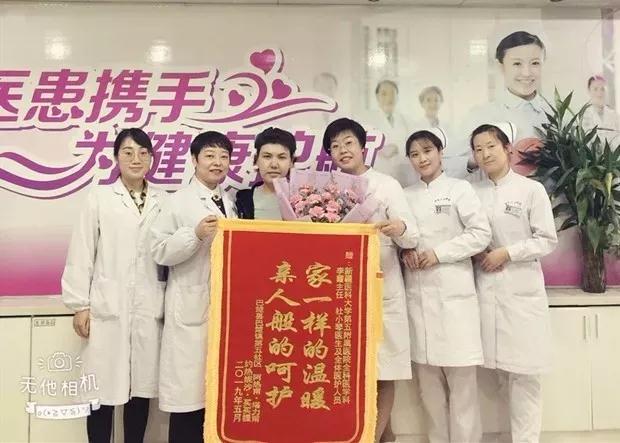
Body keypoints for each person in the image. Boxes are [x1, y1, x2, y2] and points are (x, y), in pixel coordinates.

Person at [62, 128, 167, 443]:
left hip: (149, 307)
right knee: (101, 390)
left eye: (143, 153)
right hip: (108, 306)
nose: (136, 159)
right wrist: (80, 304)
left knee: (140, 390)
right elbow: (82, 251)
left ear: (151, 158)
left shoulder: (164, 201)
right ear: (116, 158)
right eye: (128, 152)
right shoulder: (100, 198)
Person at [322, 117, 419, 443]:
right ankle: (382, 436)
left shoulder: (387, 185)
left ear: (363, 146)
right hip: (342, 288)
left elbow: (412, 235)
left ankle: (371, 438)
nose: (342, 150)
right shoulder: (326, 188)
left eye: (348, 143)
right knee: (351, 370)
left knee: (383, 368)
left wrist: (399, 228)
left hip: (381, 284)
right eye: (335, 146)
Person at [401, 128, 490, 443]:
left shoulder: (459, 189)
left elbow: (480, 234)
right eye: (414, 154)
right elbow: (402, 236)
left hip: (454, 300)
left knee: (463, 390)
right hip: (418, 298)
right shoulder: (405, 195)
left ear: (440, 152)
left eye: (427, 151)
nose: (422, 159)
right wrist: (405, 252)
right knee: (429, 392)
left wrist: (438, 254)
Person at [470, 123, 558, 443]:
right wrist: (477, 251)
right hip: (486, 289)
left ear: (507, 149)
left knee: (525, 376)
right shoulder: (472, 192)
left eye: (491, 146)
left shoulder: (530, 190)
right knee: (495, 377)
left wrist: (507, 252)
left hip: (521, 292)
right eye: (478, 149)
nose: (485, 154)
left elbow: (546, 240)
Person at [150, 131, 236, 443]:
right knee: (189, 403)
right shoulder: (177, 202)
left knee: (216, 400)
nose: (217, 162)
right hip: (189, 309)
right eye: (210, 155)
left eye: (223, 156)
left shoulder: (230, 202)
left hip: (223, 311)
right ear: (194, 159)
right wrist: (194, 235)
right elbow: (159, 250)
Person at [459, 31, 550, 178]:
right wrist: (481, 157)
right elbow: (453, 168)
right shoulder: (481, 115)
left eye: (535, 63)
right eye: (517, 64)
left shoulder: (557, 114)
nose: (526, 73)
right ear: (500, 66)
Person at [235, 127, 296, 220]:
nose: (274, 165)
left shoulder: (306, 201)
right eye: (267, 156)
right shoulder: (243, 199)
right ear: (256, 160)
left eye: (281, 157)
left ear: (291, 161)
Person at [365, 80, 413, 187]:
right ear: (377, 97)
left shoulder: (405, 120)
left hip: (402, 174)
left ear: (397, 97)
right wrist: (379, 148)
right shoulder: (368, 119)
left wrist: (397, 147)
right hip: (378, 173)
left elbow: (413, 143)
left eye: (392, 93)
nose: (389, 98)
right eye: (384, 94)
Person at [582, 75, 620, 144]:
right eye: (595, 89)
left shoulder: (614, 115)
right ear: (589, 91)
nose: (599, 93)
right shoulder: (584, 116)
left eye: (602, 89)